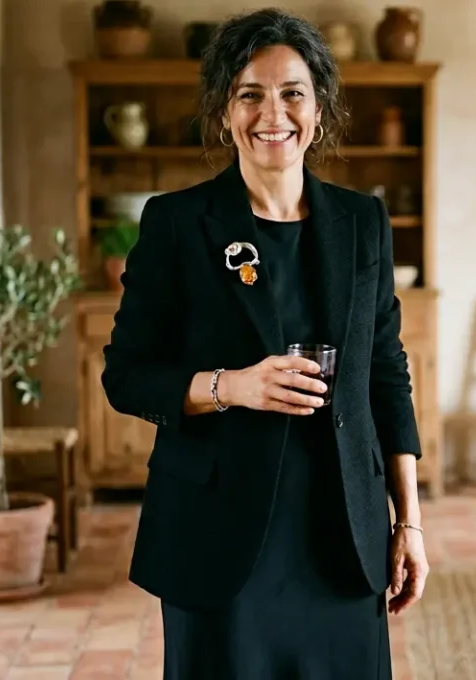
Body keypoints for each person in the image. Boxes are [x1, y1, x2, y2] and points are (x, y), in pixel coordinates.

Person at [99, 9, 424, 679]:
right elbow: (127, 376)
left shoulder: (363, 223)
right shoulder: (177, 222)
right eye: (249, 93)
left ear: (320, 110)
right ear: (223, 113)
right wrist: (230, 387)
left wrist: (409, 521)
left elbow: (387, 376)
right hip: (218, 539)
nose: (271, 113)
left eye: (292, 93)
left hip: (343, 536)